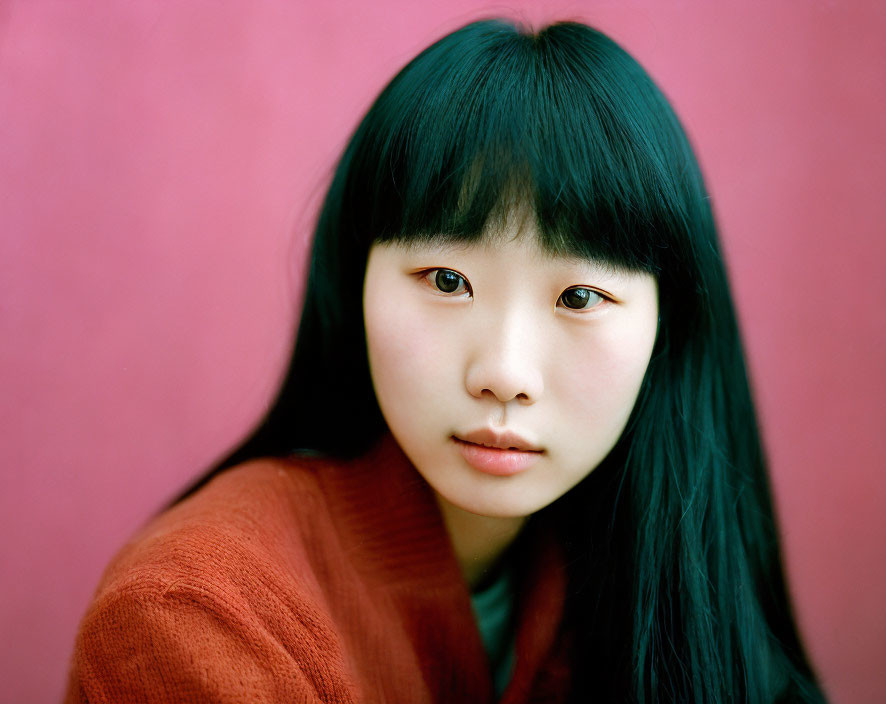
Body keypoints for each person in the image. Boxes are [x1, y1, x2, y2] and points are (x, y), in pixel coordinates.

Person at [65, 18, 827, 703]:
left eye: (581, 297)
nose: (504, 373)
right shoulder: (200, 614)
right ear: (353, 278)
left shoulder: (670, 593)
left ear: (670, 328)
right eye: (448, 281)